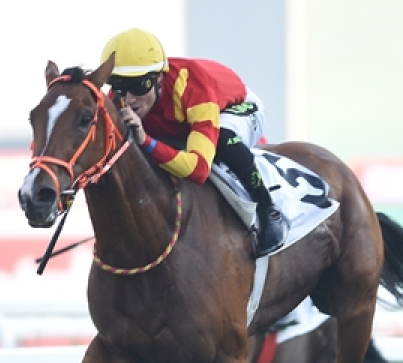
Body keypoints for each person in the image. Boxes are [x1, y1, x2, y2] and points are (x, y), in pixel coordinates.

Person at [100, 28, 287, 258]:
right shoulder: (118, 99)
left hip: (233, 107)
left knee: (223, 139)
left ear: (159, 78)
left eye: (139, 86)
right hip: (182, 124)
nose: (129, 99)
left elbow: (198, 169)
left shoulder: (191, 86)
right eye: (120, 87)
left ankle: (269, 210)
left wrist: (146, 141)